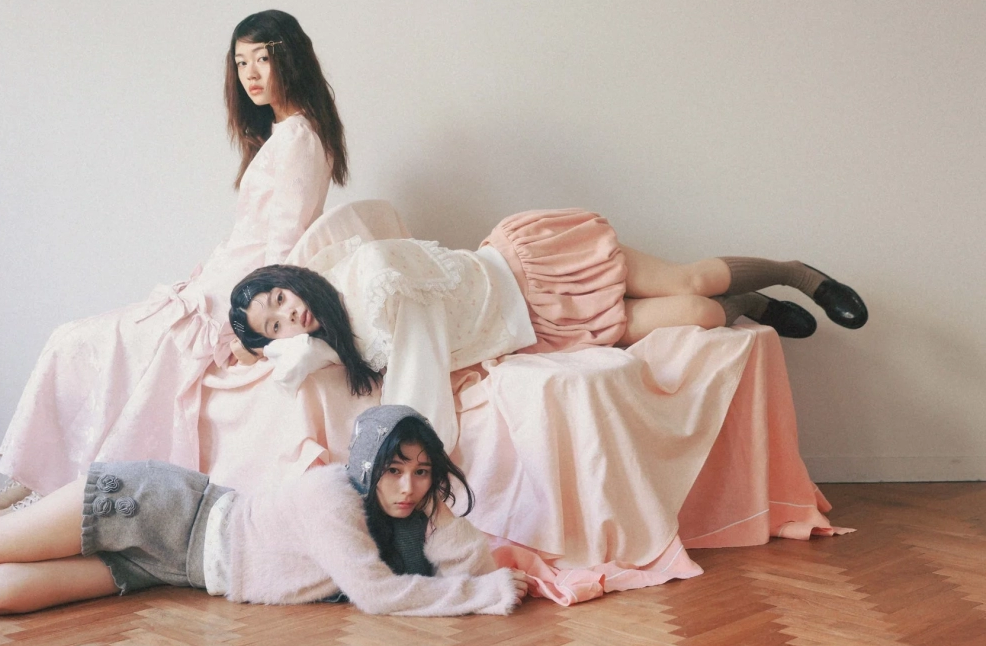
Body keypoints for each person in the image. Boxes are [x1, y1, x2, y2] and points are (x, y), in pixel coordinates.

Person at [0, 10, 348, 510]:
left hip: (232, 295)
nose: (250, 74)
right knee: (82, 342)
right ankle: (43, 481)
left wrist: (245, 327)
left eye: (263, 59)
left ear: (288, 59)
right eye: (241, 61)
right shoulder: (288, 135)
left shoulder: (296, 139)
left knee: (77, 341)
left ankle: (50, 486)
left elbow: (283, 247)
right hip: (219, 283)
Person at [228, 208, 868, 449]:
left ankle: (796, 273)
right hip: (540, 328)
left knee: (691, 283)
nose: (289, 316)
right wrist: (274, 349)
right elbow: (306, 359)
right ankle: (751, 305)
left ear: (292, 276)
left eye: (280, 298)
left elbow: (416, 374)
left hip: (532, 266)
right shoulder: (340, 340)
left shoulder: (372, 276)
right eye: (275, 324)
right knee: (704, 316)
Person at [0, 405, 527, 616]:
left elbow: (471, 558)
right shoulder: (331, 497)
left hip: (177, 570)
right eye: (392, 469)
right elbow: (378, 595)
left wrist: (436, 512)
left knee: (11, 596)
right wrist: (489, 593)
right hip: (165, 510)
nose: (407, 487)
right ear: (367, 466)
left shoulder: (401, 515)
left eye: (422, 472)